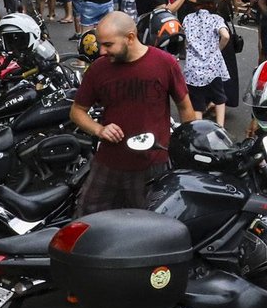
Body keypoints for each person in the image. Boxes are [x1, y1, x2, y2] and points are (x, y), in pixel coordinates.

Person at [69, 11, 197, 213]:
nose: (102, 51)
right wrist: (99, 129)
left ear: (130, 37)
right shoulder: (98, 69)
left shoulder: (165, 63)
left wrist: (186, 150)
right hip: (109, 163)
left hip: (153, 165)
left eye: (108, 45)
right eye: (101, 44)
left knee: (149, 226)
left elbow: (185, 107)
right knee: (86, 220)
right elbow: (77, 111)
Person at [183, 0, 232, 125]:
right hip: (212, 66)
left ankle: (199, 129)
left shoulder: (188, 18)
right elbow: (225, 36)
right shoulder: (216, 19)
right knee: (219, 97)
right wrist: (217, 49)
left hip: (193, 67)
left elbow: (185, 40)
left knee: (197, 102)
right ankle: (220, 126)